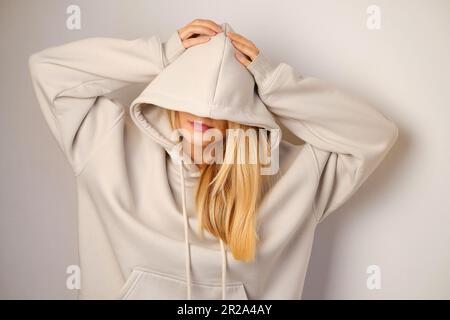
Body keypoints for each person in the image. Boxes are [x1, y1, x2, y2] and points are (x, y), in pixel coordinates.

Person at [28, 19, 398, 299]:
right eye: (190, 96)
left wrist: (273, 84)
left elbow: (374, 134)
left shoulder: (284, 174)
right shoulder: (109, 145)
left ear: (242, 108)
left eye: (220, 103)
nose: (202, 113)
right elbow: (50, 71)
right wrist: (159, 55)